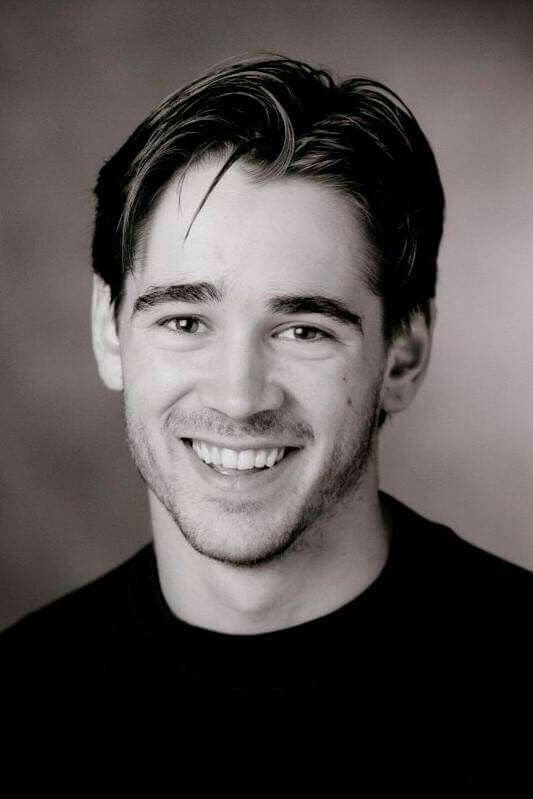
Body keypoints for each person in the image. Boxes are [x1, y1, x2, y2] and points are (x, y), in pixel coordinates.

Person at [2, 56, 532, 785]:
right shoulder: (22, 701)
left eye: (303, 330)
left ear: (402, 357)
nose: (239, 397)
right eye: (185, 321)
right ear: (109, 330)